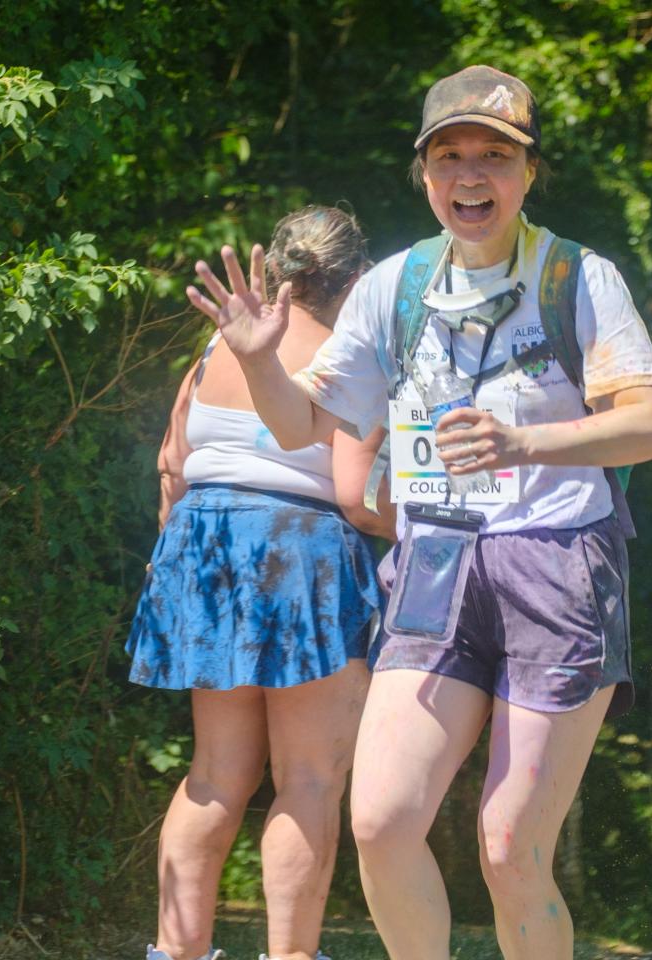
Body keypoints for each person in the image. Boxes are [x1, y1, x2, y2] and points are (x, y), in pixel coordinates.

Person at [184, 65, 652, 960]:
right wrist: (261, 361)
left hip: (558, 566)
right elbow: (303, 424)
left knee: (509, 849)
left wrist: (523, 443)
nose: (471, 175)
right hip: (433, 568)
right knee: (377, 820)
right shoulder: (391, 288)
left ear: (530, 173)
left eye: (495, 155)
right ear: (425, 174)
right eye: (449, 156)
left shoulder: (577, 277)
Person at [128, 205, 393, 960]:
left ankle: (174, 954)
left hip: (204, 546)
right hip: (302, 551)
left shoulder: (219, 346)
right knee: (308, 779)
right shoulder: (356, 356)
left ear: (277, 272)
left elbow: (171, 465)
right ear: (358, 276)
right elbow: (356, 499)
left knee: (214, 775)